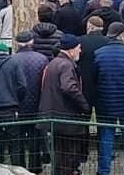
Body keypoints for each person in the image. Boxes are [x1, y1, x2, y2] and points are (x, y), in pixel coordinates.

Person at [94, 22, 124, 175]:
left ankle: (103, 171)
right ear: (122, 35)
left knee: (106, 137)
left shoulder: (98, 54)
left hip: (106, 102)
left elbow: (95, 78)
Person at [38, 34, 90, 175]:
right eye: (78, 48)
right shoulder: (66, 65)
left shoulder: (53, 62)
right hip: (65, 117)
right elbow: (68, 87)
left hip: (55, 115)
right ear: (71, 49)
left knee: (60, 153)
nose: (80, 50)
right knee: (68, 154)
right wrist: (84, 104)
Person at [10, 31, 48, 174]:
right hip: (37, 104)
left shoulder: (11, 60)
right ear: (32, 41)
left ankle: (19, 168)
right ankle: (35, 168)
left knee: (18, 139)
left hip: (17, 106)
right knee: (35, 139)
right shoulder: (42, 59)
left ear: (17, 43)